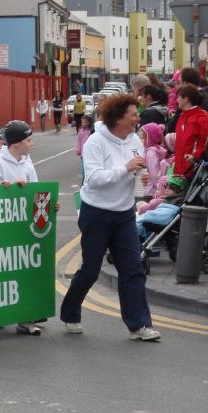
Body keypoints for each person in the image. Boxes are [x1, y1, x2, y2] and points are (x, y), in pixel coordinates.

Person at [60, 94, 161, 341]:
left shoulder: (134, 139)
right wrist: (125, 169)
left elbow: (135, 171)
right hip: (96, 213)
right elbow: (93, 179)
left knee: (133, 269)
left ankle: (139, 325)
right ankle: (70, 312)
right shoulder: (96, 142)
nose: (138, 118)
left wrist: (141, 177)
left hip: (124, 213)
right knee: (91, 270)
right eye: (133, 114)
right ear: (117, 118)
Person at [0, 120, 44, 335]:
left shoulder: (27, 162)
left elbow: (37, 190)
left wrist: (47, 204)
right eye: (28, 140)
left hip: (23, 228)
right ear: (16, 143)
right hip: (2, 229)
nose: (31, 144)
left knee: (24, 273)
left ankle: (25, 318)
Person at [136, 176, 185, 242]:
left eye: (171, 189)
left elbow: (166, 213)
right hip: (161, 212)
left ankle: (138, 234)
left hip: (167, 213)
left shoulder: (178, 201)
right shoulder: (167, 199)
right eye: (166, 188)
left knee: (144, 218)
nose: (167, 190)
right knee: (145, 218)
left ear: (178, 191)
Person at [174, 85, 208, 176]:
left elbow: (205, 142)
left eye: (179, 97)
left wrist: (196, 156)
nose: (177, 100)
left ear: (186, 99)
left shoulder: (202, 118)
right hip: (179, 169)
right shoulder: (181, 117)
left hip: (194, 170)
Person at [139, 123, 167, 199]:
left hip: (150, 189)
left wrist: (156, 188)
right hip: (150, 187)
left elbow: (153, 173)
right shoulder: (154, 149)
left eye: (144, 138)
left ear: (151, 138)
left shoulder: (151, 154)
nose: (141, 140)